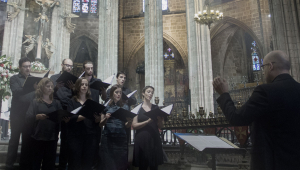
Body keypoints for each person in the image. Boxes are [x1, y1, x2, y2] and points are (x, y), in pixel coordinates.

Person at [213, 50, 300, 170]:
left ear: (270, 66)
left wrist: (224, 94)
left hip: (271, 163)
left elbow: (237, 118)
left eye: (262, 67)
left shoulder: (265, 91)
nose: (263, 72)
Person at [56, 77, 100, 170]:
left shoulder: (91, 102)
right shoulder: (72, 101)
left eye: (86, 85)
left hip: (90, 136)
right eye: (82, 84)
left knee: (87, 163)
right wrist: (82, 116)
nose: (84, 86)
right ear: (78, 86)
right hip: (76, 137)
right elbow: (69, 117)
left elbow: (95, 118)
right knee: (74, 163)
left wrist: (97, 119)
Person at [25, 78, 65, 170]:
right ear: (42, 88)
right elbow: (28, 117)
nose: (50, 88)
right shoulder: (35, 102)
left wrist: (64, 119)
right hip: (38, 137)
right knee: (36, 163)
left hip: (52, 137)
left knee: (49, 164)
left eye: (51, 86)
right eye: (48, 86)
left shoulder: (57, 103)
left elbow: (61, 117)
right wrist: (37, 116)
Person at [6, 57, 36, 170]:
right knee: (14, 140)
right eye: (25, 66)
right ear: (20, 67)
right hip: (17, 114)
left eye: (29, 66)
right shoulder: (14, 78)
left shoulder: (34, 79)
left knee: (27, 142)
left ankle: (24, 166)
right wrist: (31, 87)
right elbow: (16, 91)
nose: (28, 69)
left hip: (29, 114)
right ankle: (9, 165)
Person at [98, 84, 132, 170]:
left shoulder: (125, 107)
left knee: (120, 164)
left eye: (120, 92)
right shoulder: (105, 106)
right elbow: (100, 124)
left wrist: (130, 122)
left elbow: (126, 125)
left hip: (121, 138)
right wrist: (105, 118)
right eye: (116, 92)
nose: (118, 94)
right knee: (108, 163)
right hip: (108, 138)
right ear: (112, 93)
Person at [132, 86, 164, 170]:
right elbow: (134, 125)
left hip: (154, 139)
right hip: (142, 139)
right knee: (143, 166)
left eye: (152, 92)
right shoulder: (137, 108)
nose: (150, 94)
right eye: (148, 92)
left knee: (154, 166)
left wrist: (161, 120)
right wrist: (147, 122)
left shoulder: (155, 108)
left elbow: (160, 126)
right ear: (143, 93)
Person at [50, 58, 73, 170]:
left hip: (67, 111)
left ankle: (62, 166)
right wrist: (56, 87)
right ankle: (50, 164)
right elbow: (48, 94)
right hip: (56, 110)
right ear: (62, 65)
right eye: (67, 65)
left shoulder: (73, 81)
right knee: (53, 138)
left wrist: (73, 89)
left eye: (70, 66)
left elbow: (77, 97)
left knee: (65, 140)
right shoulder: (54, 78)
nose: (68, 67)